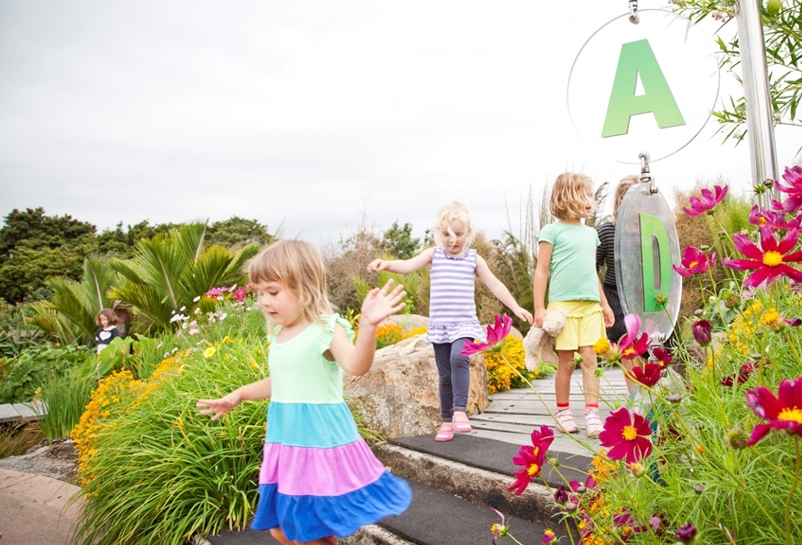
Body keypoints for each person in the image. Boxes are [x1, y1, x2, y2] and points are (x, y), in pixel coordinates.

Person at [197, 240, 412, 545]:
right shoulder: (279, 333)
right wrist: (240, 394)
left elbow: (356, 365)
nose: (264, 301)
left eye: (273, 291)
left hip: (318, 441)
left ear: (304, 286)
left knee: (311, 531)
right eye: (260, 293)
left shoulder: (325, 328)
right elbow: (283, 380)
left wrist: (367, 327)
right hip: (287, 441)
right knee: (281, 529)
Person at [367, 201, 533, 442]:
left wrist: (516, 307)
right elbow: (408, 265)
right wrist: (387, 263)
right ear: (439, 233)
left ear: (468, 233)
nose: (452, 240)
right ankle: (446, 422)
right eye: (446, 234)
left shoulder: (473, 259)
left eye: (458, 234)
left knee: (459, 358)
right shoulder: (434, 254)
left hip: (464, 324)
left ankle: (459, 412)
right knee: (445, 375)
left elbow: (495, 284)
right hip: (440, 326)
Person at [534, 172, 615, 438]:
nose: (590, 200)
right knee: (566, 362)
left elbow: (593, 273)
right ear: (566, 197)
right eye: (584, 195)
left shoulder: (592, 234)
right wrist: (539, 308)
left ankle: (592, 413)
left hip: (590, 307)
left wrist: (604, 304)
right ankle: (563, 410)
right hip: (563, 309)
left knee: (591, 360)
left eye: (590, 195)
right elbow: (542, 271)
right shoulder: (552, 231)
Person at [596, 175, 642, 390]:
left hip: (645, 293)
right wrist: (602, 302)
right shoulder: (606, 231)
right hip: (616, 294)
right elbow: (592, 267)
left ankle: (652, 391)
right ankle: (636, 396)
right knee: (628, 344)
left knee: (651, 343)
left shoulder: (649, 228)